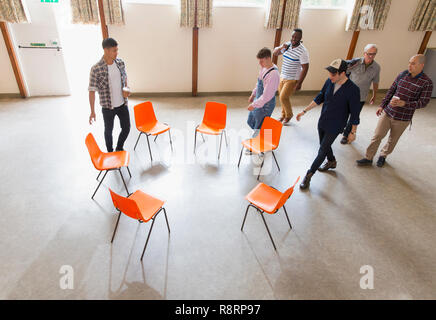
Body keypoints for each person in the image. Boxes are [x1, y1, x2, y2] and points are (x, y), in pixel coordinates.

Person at [357, 54, 433, 167]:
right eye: (409, 62)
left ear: (421, 65)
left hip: (403, 118)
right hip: (388, 112)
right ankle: (368, 157)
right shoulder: (402, 74)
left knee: (392, 140)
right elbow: (391, 91)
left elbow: (423, 102)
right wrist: (382, 105)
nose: (409, 65)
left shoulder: (426, 83)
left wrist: (405, 104)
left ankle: (383, 155)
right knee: (377, 135)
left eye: (413, 63)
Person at [297, 59, 361, 190]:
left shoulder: (353, 90)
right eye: (329, 73)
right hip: (323, 121)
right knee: (324, 146)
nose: (330, 76)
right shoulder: (329, 82)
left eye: (333, 74)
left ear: (342, 73)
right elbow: (320, 97)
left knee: (322, 150)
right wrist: (304, 111)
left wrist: (352, 132)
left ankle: (309, 174)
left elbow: (355, 114)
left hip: (336, 125)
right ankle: (331, 161)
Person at [88, 38, 131, 152]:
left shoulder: (120, 63)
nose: (117, 53)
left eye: (117, 50)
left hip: (123, 104)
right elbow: (91, 91)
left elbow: (125, 78)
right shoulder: (96, 69)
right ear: (106, 50)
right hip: (108, 107)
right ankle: (110, 153)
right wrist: (92, 111)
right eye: (114, 50)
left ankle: (119, 148)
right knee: (108, 131)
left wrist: (126, 88)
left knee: (126, 128)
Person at [341, 44, 380, 144]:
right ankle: (341, 127)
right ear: (364, 53)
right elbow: (343, 71)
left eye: (374, 54)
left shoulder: (376, 67)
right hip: (348, 94)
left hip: (361, 96)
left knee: (354, 116)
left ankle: (345, 135)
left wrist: (374, 95)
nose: (371, 56)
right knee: (343, 113)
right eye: (369, 54)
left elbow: (375, 82)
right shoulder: (356, 62)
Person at [273, 28, 309, 124]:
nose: (293, 39)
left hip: (293, 79)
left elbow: (305, 68)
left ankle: (289, 115)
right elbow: (275, 53)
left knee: (283, 97)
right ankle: (283, 115)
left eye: (296, 37)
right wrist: (281, 48)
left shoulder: (303, 51)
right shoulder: (287, 45)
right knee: (282, 96)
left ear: (300, 38)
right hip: (283, 75)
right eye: (293, 36)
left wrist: (300, 83)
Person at [247, 47, 280, 141]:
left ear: (268, 58)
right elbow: (259, 83)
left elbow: (266, 96)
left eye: (261, 61)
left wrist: (254, 105)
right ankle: (263, 138)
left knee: (260, 126)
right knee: (251, 121)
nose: (259, 64)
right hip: (259, 100)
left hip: (266, 104)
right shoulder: (264, 67)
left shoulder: (273, 74)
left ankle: (258, 145)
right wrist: (253, 94)